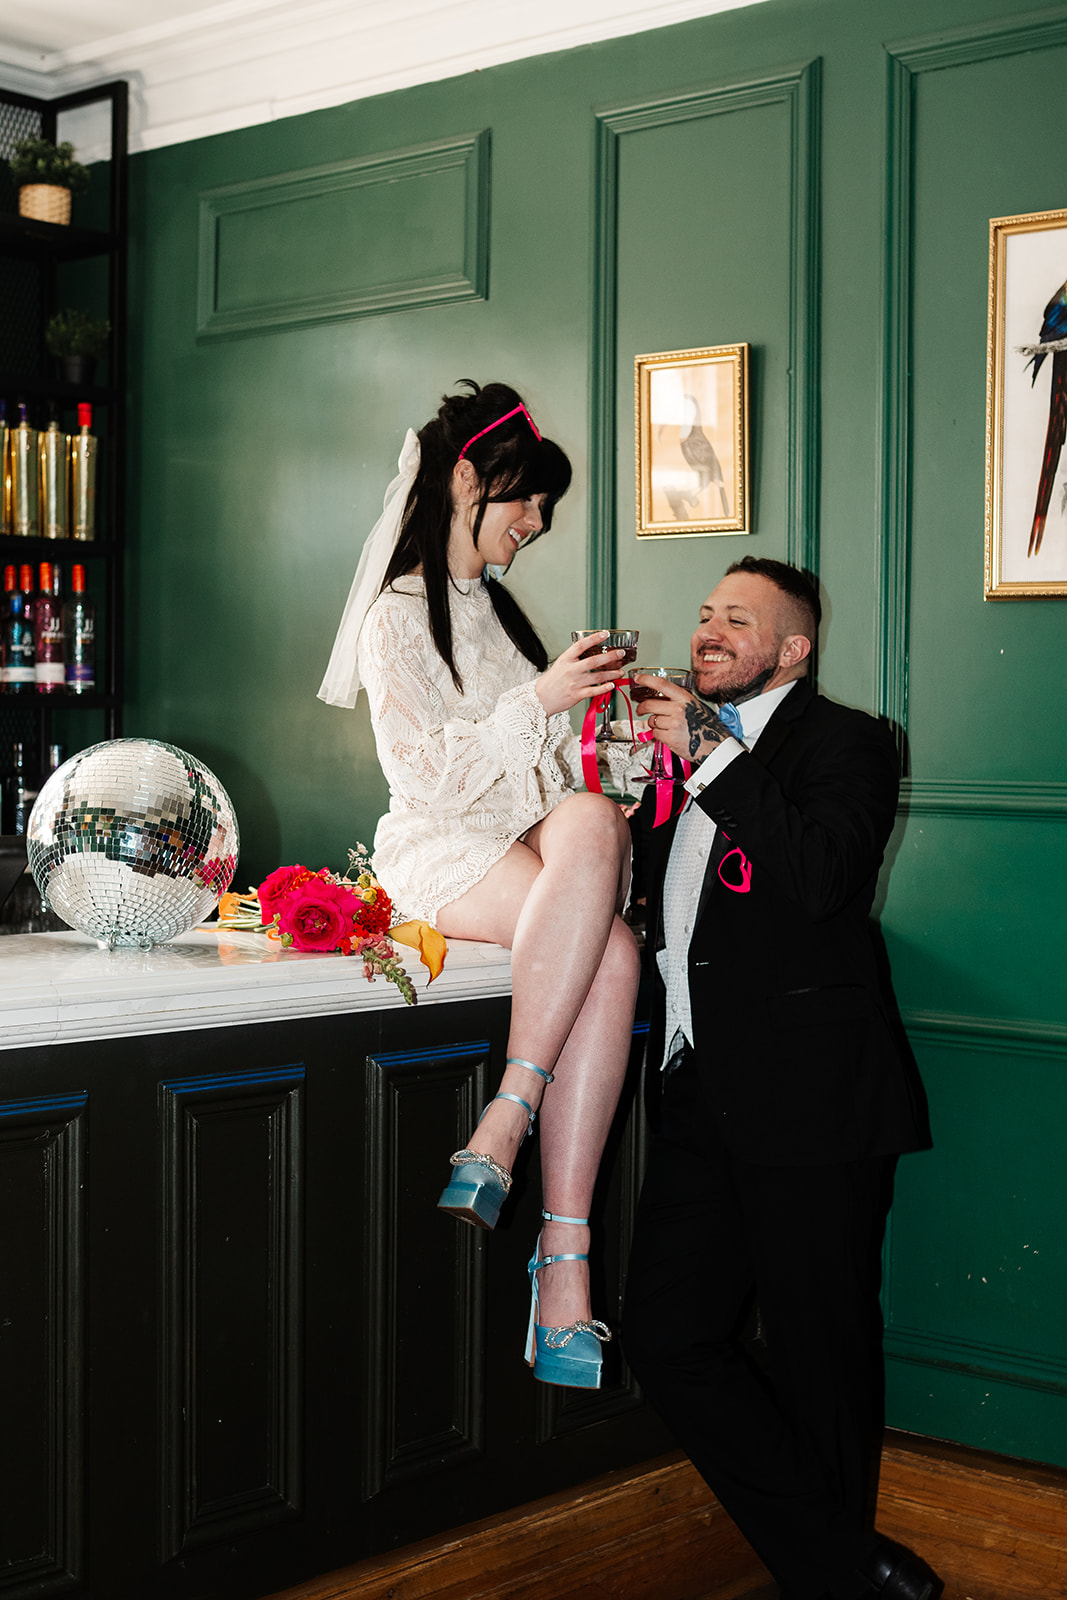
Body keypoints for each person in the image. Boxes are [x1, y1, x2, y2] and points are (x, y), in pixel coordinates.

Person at [621, 557, 942, 1600]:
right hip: (693, 1091)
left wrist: (710, 758)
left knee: (821, 1356)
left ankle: (832, 1583)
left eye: (739, 619)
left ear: (793, 648)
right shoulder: (671, 750)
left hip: (813, 1097)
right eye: (705, 612)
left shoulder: (848, 742)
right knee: (666, 1336)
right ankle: (848, 1569)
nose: (708, 631)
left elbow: (819, 878)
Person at [318, 381, 640, 1389]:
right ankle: (561, 1256)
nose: (535, 522)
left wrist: (607, 730)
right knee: (612, 946)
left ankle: (509, 1127)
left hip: (526, 841)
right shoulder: (393, 619)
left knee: (600, 839)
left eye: (543, 506)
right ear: (465, 479)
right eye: (525, 500)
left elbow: (539, 775)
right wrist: (539, 700)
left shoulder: (495, 613)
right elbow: (428, 778)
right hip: (438, 848)